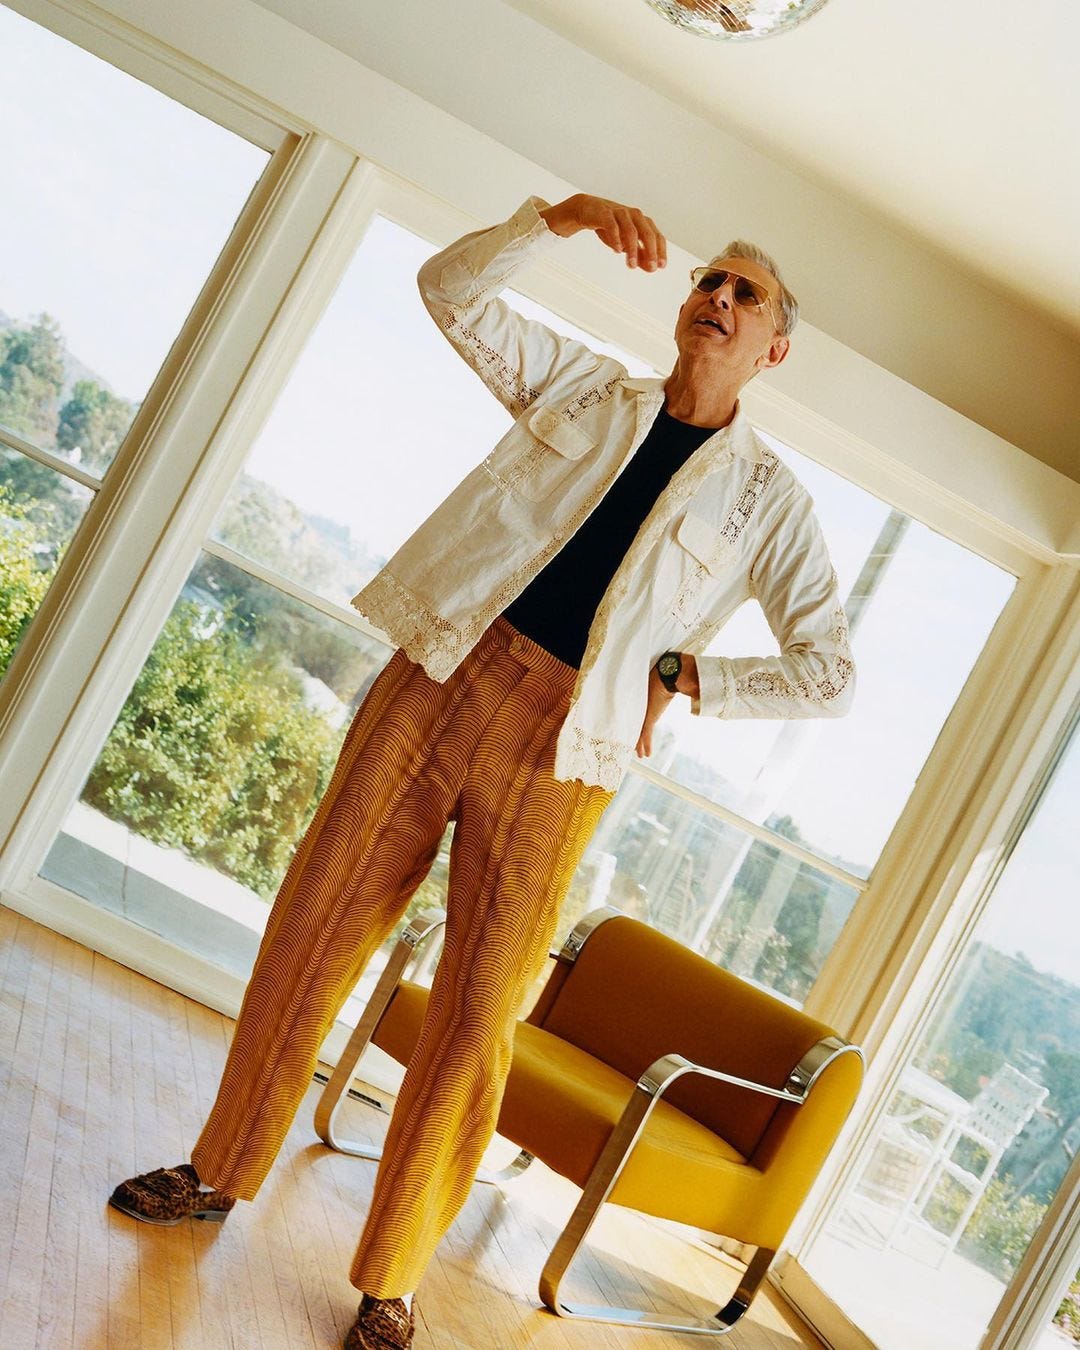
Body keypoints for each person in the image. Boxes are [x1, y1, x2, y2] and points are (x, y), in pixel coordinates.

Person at [108, 193, 854, 1349]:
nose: (717, 297)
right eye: (709, 279)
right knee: (314, 924)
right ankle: (218, 1169)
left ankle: (393, 1275)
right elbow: (448, 292)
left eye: (743, 293)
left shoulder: (773, 504)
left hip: (569, 752)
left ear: (775, 348)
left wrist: (697, 677)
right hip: (444, 671)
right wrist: (553, 221)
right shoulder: (583, 387)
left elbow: (828, 668)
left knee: (477, 1013)